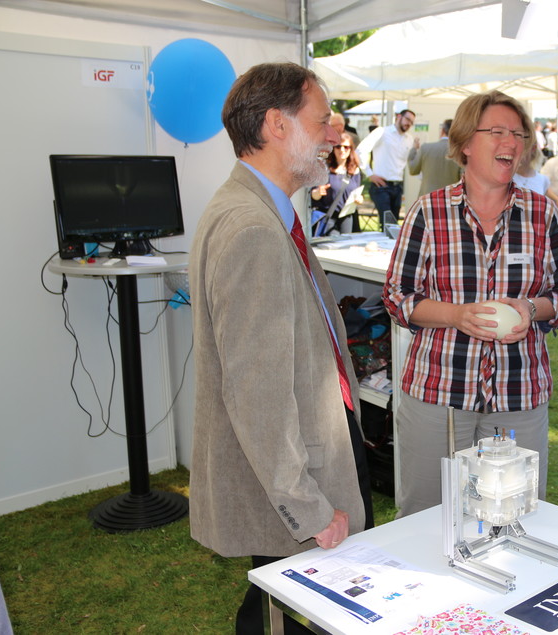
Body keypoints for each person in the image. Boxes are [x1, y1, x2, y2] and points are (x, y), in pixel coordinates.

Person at [189, 62, 373, 635]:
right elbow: (257, 394)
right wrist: (309, 508)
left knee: (287, 606)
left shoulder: (263, 211)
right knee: (288, 613)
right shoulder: (252, 227)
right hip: (298, 475)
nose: (334, 135)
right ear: (276, 124)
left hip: (312, 450)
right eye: (322, 121)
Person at [383, 90, 558, 518]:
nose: (511, 142)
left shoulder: (543, 214)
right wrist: (456, 315)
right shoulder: (428, 212)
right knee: (425, 515)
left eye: (518, 133)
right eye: (497, 131)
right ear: (466, 143)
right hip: (438, 393)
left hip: (519, 395)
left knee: (514, 517)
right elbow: (398, 296)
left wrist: (530, 310)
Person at [357, 108, 417, 229]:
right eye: (407, 119)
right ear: (399, 116)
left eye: (411, 122)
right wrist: (369, 174)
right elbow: (360, 150)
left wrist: (416, 150)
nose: (409, 124)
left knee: (393, 226)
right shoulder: (382, 132)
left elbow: (409, 162)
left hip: (398, 186)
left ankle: (389, 248)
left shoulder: (409, 139)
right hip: (381, 186)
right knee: (387, 224)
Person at [310, 132, 364, 235]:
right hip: (328, 217)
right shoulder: (324, 169)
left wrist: (359, 199)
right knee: (334, 246)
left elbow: (356, 193)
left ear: (351, 150)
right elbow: (313, 196)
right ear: (333, 148)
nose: (342, 150)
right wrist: (318, 192)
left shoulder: (355, 171)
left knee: (345, 247)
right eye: (338, 147)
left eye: (346, 147)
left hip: (347, 217)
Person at [407, 118, 461, 197]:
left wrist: (414, 149)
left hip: (427, 200)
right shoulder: (460, 151)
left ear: (442, 131)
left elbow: (413, 170)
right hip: (451, 200)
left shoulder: (425, 148)